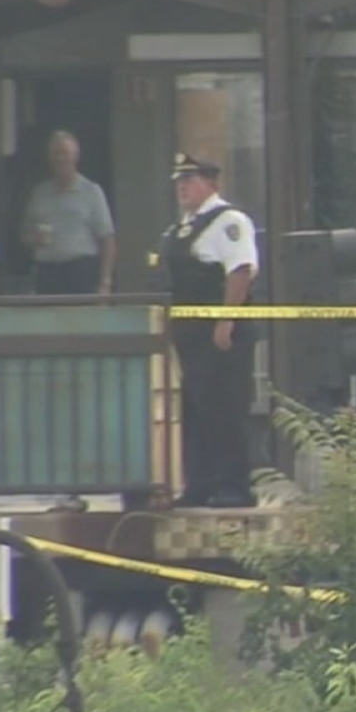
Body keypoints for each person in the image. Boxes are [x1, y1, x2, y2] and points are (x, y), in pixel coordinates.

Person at [161, 153, 259, 508]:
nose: (182, 187)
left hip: (221, 333)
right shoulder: (182, 227)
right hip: (190, 337)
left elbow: (240, 270)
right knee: (196, 409)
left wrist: (226, 319)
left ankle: (233, 486)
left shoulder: (228, 221)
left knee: (225, 408)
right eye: (178, 181)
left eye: (190, 179)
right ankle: (199, 484)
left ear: (211, 183)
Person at [21, 130, 116, 295]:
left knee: (81, 320)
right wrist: (33, 238)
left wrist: (105, 282)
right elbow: (25, 234)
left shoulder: (91, 191)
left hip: (80, 271)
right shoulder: (39, 193)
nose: (60, 158)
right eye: (55, 153)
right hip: (47, 271)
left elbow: (107, 239)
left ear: (76, 157)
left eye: (65, 153)